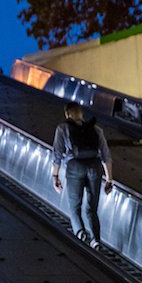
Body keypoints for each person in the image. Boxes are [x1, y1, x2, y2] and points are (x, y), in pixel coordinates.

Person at [50, 103, 113, 248]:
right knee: (92, 207)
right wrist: (109, 179)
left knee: (75, 206)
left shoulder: (62, 128)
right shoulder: (96, 129)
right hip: (95, 167)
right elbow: (106, 156)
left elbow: (57, 154)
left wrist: (55, 176)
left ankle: (81, 235)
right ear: (81, 114)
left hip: (74, 167)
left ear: (67, 114)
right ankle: (96, 239)